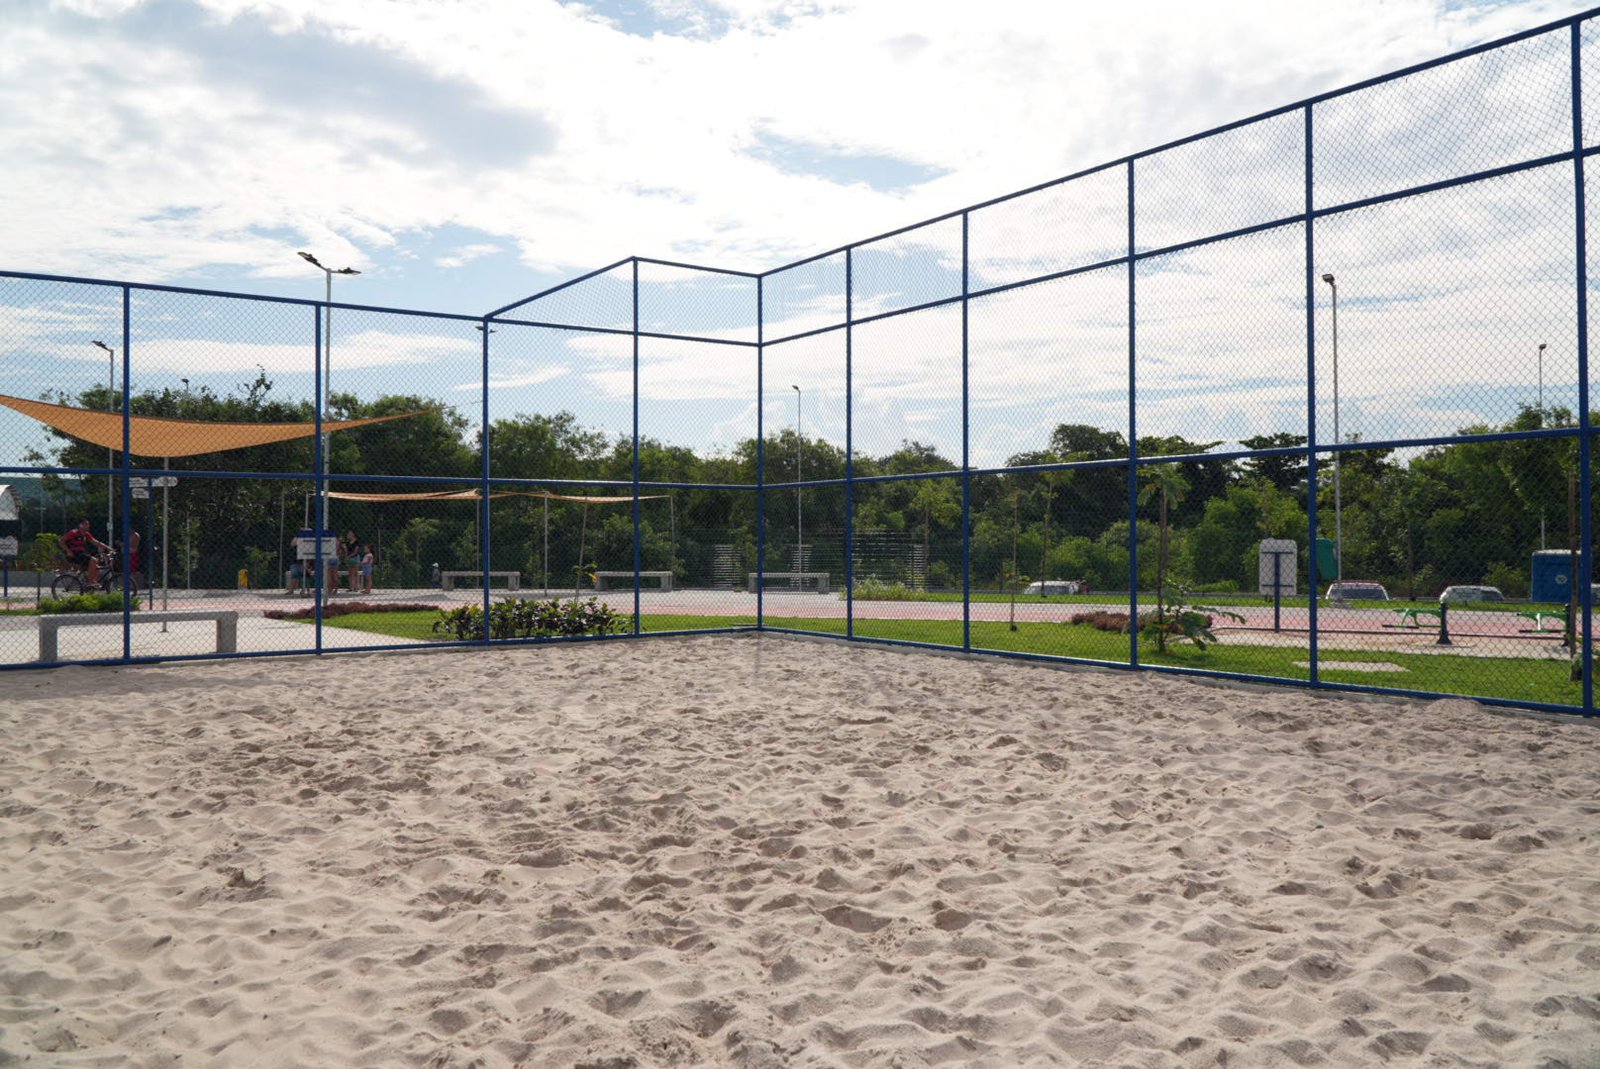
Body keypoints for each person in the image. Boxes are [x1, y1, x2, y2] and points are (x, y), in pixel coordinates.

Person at [60, 518, 108, 588]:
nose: (88, 526)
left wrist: (108, 548)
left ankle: (90, 582)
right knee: (93, 560)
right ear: (80, 525)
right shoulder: (73, 532)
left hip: (81, 553)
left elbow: (95, 542)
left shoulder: (86, 534)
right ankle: (91, 582)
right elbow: (61, 541)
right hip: (74, 553)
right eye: (86, 524)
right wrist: (68, 551)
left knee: (96, 567)